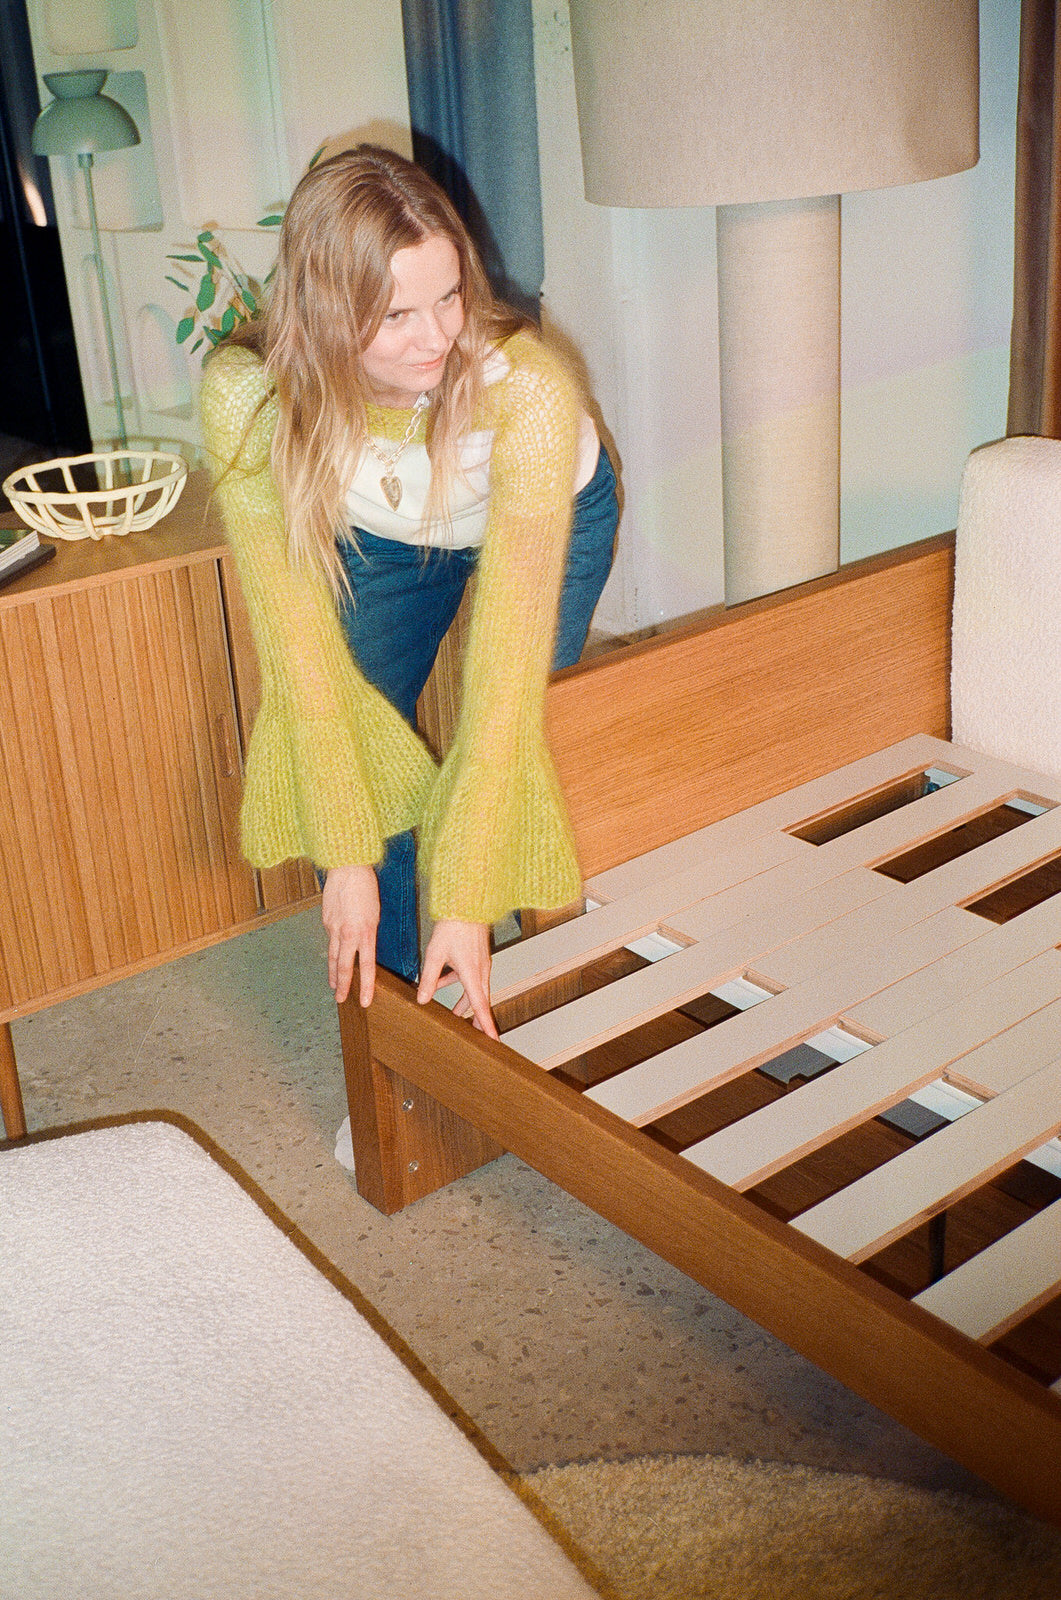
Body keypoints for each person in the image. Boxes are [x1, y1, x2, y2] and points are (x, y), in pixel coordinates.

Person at [199, 144, 617, 1038]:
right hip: (392, 534)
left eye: (449, 297)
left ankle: (533, 997)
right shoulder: (249, 393)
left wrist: (463, 899)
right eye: (394, 315)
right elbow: (301, 665)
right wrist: (346, 851)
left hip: (548, 513)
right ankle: (393, 1036)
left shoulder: (526, 391)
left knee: (528, 728)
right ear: (323, 309)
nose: (436, 338)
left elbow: (499, 694)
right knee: (343, 737)